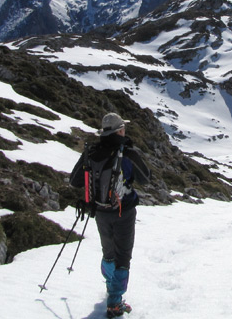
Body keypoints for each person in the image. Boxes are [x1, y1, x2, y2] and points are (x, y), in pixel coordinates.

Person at [70, 113, 150, 318]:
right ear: (120, 131)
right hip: (124, 211)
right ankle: (115, 302)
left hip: (100, 210)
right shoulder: (127, 153)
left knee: (108, 252)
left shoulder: (91, 152)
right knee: (123, 256)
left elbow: (75, 180)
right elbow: (145, 178)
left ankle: (110, 287)